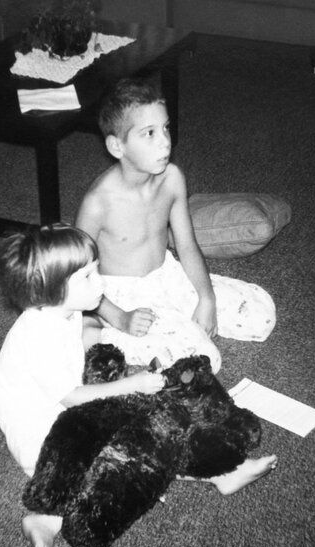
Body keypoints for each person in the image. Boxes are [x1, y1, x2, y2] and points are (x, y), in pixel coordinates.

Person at [0, 223, 277, 547]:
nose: (100, 282)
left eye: (96, 269)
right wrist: (132, 384)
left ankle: (221, 474)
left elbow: (78, 363)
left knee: (145, 420)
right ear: (50, 291)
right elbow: (72, 396)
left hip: (65, 410)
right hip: (39, 435)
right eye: (87, 277)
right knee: (126, 452)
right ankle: (45, 517)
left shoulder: (62, 311)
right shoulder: (37, 335)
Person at [75, 77, 276, 373]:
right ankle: (96, 336)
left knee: (261, 315)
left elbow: (186, 244)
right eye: (149, 133)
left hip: (168, 276)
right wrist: (119, 317)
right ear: (117, 146)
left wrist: (206, 298)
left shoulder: (172, 178)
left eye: (166, 128)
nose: (165, 142)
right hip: (121, 297)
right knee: (200, 361)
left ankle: (152, 330)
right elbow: (76, 273)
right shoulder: (98, 202)